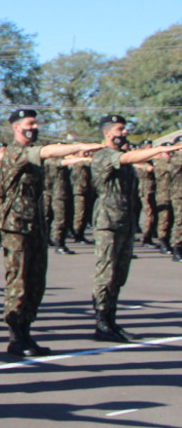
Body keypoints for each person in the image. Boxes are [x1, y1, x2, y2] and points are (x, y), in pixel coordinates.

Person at [0, 108, 103, 357]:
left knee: (36, 281)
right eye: (29, 124)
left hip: (35, 225)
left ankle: (26, 331)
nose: (34, 127)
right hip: (16, 226)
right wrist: (79, 146)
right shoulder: (15, 152)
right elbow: (49, 151)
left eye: (35, 124)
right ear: (16, 127)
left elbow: (54, 159)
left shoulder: (34, 155)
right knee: (18, 282)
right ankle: (16, 336)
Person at [90, 118, 182, 341]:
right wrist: (164, 149)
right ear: (107, 133)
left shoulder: (123, 156)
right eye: (120, 129)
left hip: (124, 221)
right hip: (108, 221)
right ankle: (102, 322)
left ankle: (111, 320)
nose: (125, 132)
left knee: (119, 274)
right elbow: (127, 158)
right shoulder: (104, 155)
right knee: (106, 274)